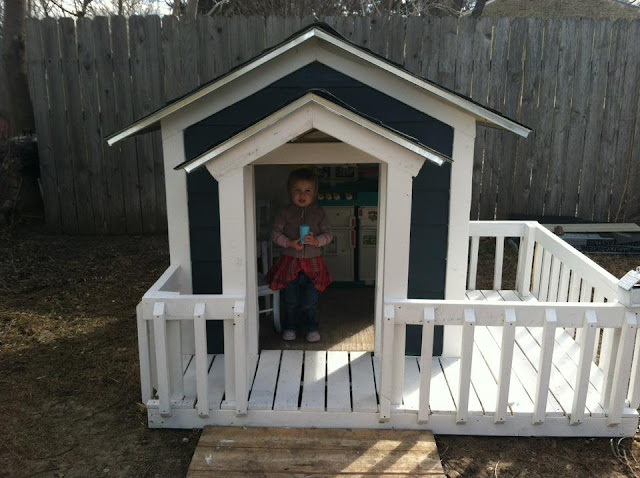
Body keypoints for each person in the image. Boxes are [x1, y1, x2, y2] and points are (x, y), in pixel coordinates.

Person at [266, 168, 332, 342]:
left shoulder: (318, 212)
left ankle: (311, 328)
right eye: (297, 190)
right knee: (290, 300)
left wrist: (316, 241)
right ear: (290, 191)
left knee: (310, 301)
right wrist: (289, 243)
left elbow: (328, 235)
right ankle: (290, 327)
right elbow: (275, 234)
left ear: (314, 193)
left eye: (307, 191)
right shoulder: (285, 212)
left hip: (313, 264)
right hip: (290, 263)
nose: (302, 195)